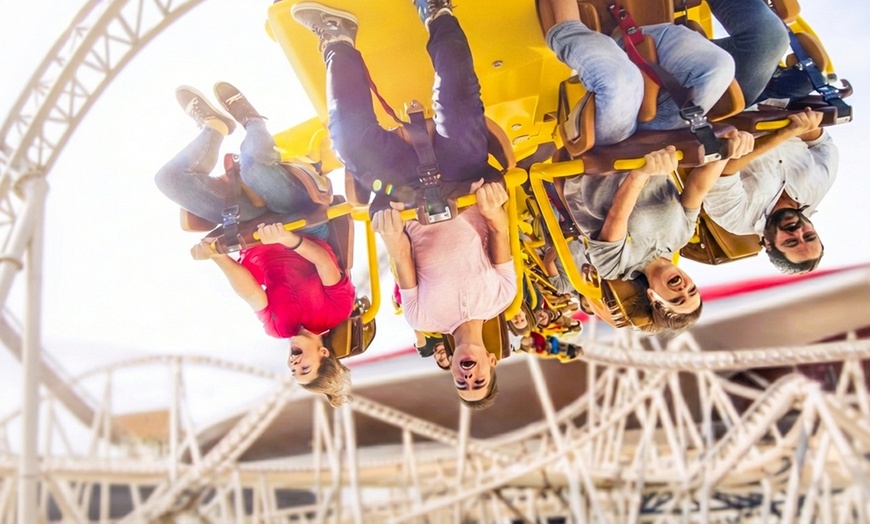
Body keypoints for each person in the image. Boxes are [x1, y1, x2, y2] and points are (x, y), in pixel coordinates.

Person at [291, 0, 516, 410]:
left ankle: (337, 39)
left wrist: (391, 230)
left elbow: (401, 259)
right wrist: (492, 204)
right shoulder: (501, 296)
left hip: (407, 196)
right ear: (492, 360)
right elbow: (500, 232)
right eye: (478, 379)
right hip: (461, 180)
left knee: (349, 144)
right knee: (460, 103)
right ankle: (438, 13)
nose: (468, 376)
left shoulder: (423, 318)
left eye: (461, 384)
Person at [537, 0, 747, 333]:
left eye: (676, 299)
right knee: (718, 68)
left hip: (607, 156)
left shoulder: (614, 268)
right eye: (692, 291)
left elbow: (617, 216)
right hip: (653, 141)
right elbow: (697, 188)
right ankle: (623, 41)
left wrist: (643, 174)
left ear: (653, 297)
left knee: (621, 83)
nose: (683, 289)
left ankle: (566, 31)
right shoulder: (680, 236)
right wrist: (726, 152)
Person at [154, 82, 354, 406]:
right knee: (254, 170)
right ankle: (251, 120)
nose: (293, 364)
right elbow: (324, 263)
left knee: (169, 180)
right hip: (298, 218)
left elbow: (251, 292)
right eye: (304, 367)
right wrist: (288, 239)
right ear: (322, 353)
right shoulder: (334, 312)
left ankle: (214, 128)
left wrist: (217, 257)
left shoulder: (277, 328)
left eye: (294, 371)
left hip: (250, 230)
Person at [701, 0, 839, 274]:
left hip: (727, 108)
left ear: (768, 244)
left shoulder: (737, 219)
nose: (798, 232)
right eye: (808, 236)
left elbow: (724, 170)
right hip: (776, 99)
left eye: (791, 242)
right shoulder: (818, 187)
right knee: (807, 78)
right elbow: (820, 143)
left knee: (767, 38)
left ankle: (693, 51)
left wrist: (787, 131)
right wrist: (806, 124)